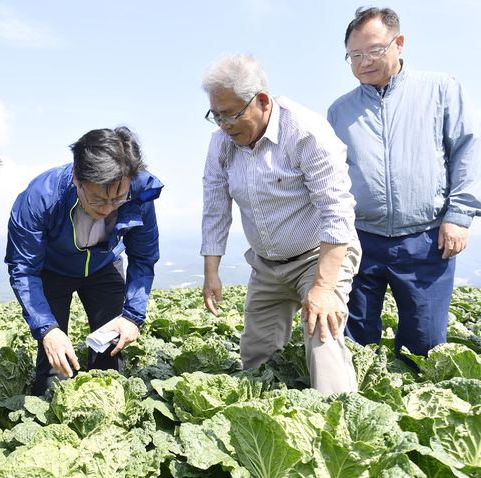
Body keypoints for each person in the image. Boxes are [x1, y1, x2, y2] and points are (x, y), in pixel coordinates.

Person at [201, 55, 360, 395]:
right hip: (266, 265)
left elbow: (337, 211)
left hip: (318, 255)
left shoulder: (306, 132)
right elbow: (216, 208)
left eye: (231, 114)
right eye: (217, 115)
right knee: (256, 353)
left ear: (261, 100)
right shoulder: (221, 143)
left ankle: (338, 428)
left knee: (323, 335)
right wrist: (211, 271)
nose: (224, 124)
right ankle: (262, 420)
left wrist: (322, 288)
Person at [327, 7, 481, 360]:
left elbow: (467, 151)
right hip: (360, 239)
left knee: (424, 346)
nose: (364, 61)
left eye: (375, 50)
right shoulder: (339, 111)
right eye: (355, 55)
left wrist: (459, 216)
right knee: (352, 344)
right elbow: (331, 177)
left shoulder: (442, 89)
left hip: (427, 238)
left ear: (399, 43)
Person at [5, 127, 162, 395]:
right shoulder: (41, 197)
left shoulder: (139, 193)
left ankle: (110, 421)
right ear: (77, 177)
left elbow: (143, 257)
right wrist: (47, 329)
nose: (107, 209)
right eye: (98, 199)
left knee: (110, 352)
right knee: (54, 360)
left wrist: (133, 317)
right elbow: (23, 268)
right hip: (51, 270)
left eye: (117, 199)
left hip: (104, 266)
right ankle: (48, 421)